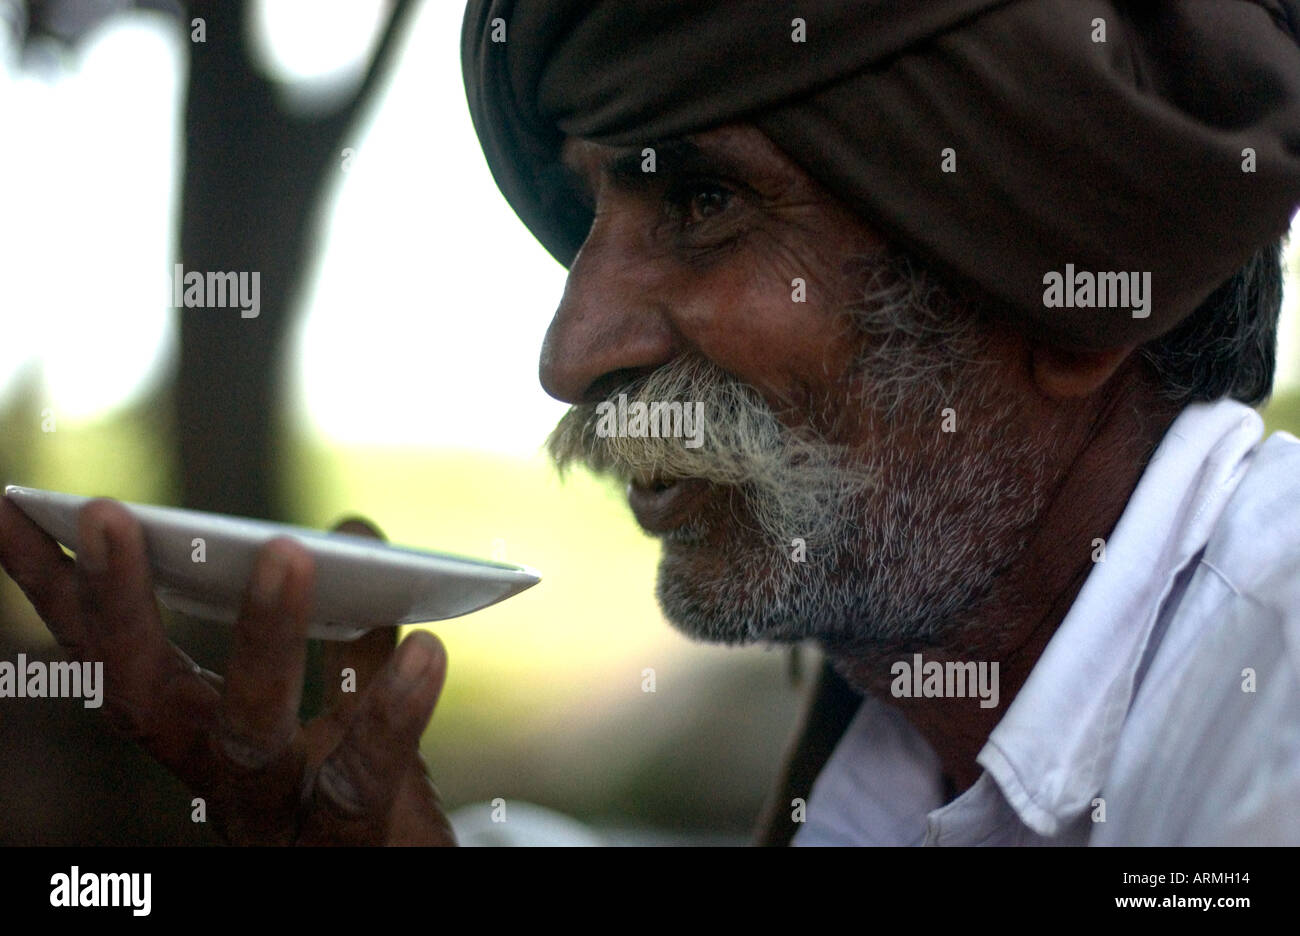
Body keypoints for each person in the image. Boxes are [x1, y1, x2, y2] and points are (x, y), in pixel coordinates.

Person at [2, 0, 1299, 845]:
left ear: (1065, 292)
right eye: (594, 219)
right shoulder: (899, 754)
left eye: (701, 202)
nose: (571, 357)